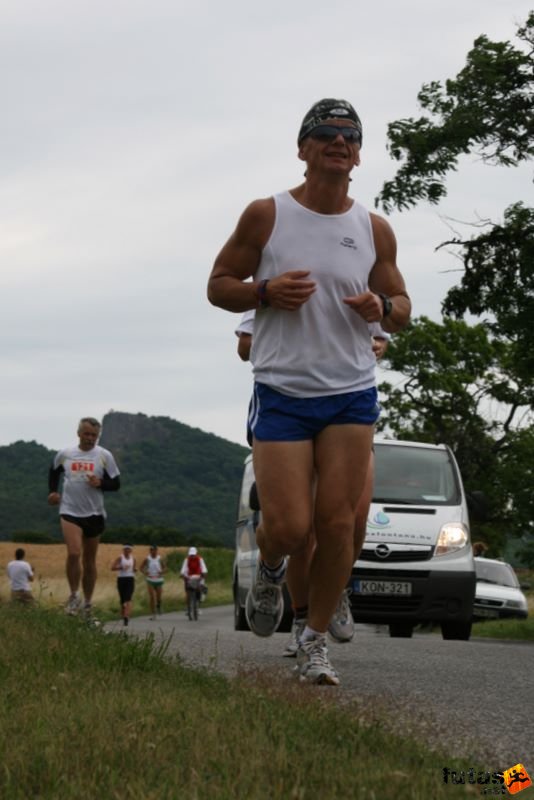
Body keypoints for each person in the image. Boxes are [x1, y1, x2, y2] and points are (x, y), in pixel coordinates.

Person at [208, 97, 411, 685]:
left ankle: (314, 639)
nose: (338, 142)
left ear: (359, 155)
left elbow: (402, 309)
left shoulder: (373, 229)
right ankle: (271, 566)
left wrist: (384, 306)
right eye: (324, 133)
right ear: (303, 149)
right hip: (282, 390)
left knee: (340, 524)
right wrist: (264, 292)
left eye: (350, 135)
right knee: (292, 527)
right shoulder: (266, 215)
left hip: (350, 392)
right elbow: (219, 285)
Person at [235, 311, 390, 655]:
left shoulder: (354, 269)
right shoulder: (281, 270)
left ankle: (333, 594)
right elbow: (245, 345)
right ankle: (288, 594)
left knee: (352, 517)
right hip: (288, 407)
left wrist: (374, 346)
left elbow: (380, 337)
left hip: (348, 405)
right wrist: (303, 343)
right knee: (297, 532)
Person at [47, 416, 121, 617]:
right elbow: (54, 471)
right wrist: (53, 492)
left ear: (98, 437)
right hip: (70, 510)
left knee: (89, 562)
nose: (90, 438)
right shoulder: (65, 454)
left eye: (94, 436)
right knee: (73, 553)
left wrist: (101, 483)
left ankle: (88, 604)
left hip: (95, 513)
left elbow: (116, 483)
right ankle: (73, 596)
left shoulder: (104, 456)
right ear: (79, 433)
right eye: (87, 434)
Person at [111, 544, 137, 626]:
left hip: (130, 578)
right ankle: (123, 611)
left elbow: (134, 569)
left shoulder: (133, 559)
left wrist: (135, 569)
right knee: (122, 598)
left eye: (129, 549)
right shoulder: (120, 558)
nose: (127, 551)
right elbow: (112, 568)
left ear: (131, 550)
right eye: (126, 549)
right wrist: (121, 568)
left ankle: (126, 616)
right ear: (123, 550)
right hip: (121, 579)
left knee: (128, 597)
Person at [140, 545, 167, 620]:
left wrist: (162, 571)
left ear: (157, 551)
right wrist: (145, 572)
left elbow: (165, 568)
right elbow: (141, 568)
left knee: (159, 597)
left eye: (155, 550)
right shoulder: (147, 559)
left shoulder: (160, 558)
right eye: (152, 550)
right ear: (150, 551)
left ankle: (159, 605)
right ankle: (153, 614)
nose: (154, 552)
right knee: (152, 597)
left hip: (158, 579)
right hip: (150, 579)